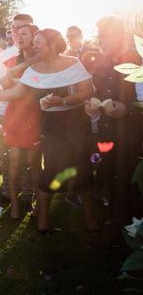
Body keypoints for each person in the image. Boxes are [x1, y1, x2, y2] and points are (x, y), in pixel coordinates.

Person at [0, 29, 97, 233]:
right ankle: (43, 217)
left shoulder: (72, 63)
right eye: (33, 42)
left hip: (76, 123)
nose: (34, 45)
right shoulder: (34, 69)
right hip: (50, 124)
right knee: (50, 168)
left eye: (38, 42)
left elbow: (88, 91)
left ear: (53, 44)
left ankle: (89, 216)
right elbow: (16, 92)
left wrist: (64, 100)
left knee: (82, 168)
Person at [86, 16, 142, 244]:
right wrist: (92, 106)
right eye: (99, 36)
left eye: (105, 36)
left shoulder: (138, 60)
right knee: (110, 177)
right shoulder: (103, 62)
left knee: (132, 183)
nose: (101, 41)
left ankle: (134, 231)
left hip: (134, 135)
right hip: (108, 134)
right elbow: (99, 91)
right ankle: (116, 224)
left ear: (121, 36)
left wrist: (127, 108)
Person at [0, 24, 41, 219]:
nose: (18, 36)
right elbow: (5, 86)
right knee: (14, 162)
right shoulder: (12, 60)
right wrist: (14, 73)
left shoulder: (43, 62)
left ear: (34, 37)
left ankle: (33, 201)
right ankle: (15, 205)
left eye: (24, 33)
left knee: (34, 163)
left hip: (36, 116)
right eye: (17, 33)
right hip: (15, 115)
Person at [0, 14, 33, 206]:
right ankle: (7, 191)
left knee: (28, 157)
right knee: (6, 155)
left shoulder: (37, 55)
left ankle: (26, 194)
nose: (16, 32)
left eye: (22, 28)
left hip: (29, 114)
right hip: (4, 111)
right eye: (14, 28)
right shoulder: (5, 55)